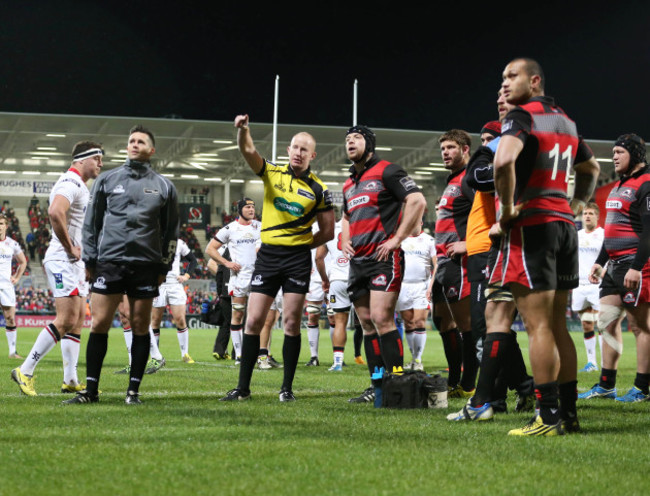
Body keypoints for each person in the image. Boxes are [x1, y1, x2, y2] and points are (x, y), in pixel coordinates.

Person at [494, 58, 599, 435]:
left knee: (536, 325)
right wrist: (577, 206)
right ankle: (568, 415)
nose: (504, 84)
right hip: (564, 225)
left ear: (534, 80)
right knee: (557, 326)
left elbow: (503, 161)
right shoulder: (566, 121)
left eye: (512, 76)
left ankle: (547, 416)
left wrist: (506, 211)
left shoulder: (521, 117)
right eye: (503, 78)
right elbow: (592, 169)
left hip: (533, 224)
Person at [220, 115, 334, 402]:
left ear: (312, 155)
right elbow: (248, 151)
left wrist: (303, 243)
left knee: (293, 323)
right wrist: (244, 130)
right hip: (269, 256)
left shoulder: (320, 189)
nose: (298, 152)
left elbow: (329, 231)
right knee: (253, 320)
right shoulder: (271, 172)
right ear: (288, 150)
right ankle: (243, 388)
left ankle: (286, 389)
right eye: (294, 147)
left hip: (296, 259)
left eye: (304, 149)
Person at [64, 125, 179, 405]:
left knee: (140, 326)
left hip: (146, 265)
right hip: (109, 262)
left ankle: (133, 392)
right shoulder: (106, 179)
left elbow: (171, 232)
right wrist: (90, 259)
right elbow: (91, 224)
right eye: (131, 141)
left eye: (141, 141)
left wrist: (164, 267)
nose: (134, 144)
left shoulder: (165, 186)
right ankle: (90, 391)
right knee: (100, 323)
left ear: (151, 150)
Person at [342, 125, 426, 403]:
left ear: (369, 144)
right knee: (366, 324)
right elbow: (345, 217)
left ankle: (398, 383)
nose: (350, 142)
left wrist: (397, 239)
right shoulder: (348, 183)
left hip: (383, 260)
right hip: (358, 263)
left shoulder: (389, 171)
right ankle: (377, 386)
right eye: (347, 139)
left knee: (381, 319)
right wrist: (344, 240)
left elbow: (417, 200)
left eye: (356, 138)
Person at [11, 142, 103, 396]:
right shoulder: (70, 182)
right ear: (82, 160)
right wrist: (70, 247)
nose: (100, 164)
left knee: (77, 322)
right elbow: (54, 212)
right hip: (63, 259)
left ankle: (70, 379)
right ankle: (25, 371)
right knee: (65, 320)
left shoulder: (80, 186)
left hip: (74, 263)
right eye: (97, 159)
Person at [580, 134, 650, 403]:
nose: (615, 156)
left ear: (635, 154)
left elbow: (648, 231)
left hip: (636, 267)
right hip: (613, 268)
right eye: (614, 152)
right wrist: (600, 262)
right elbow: (611, 231)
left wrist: (637, 266)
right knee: (606, 323)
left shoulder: (646, 183)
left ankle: (642, 388)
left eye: (620, 151)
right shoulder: (617, 186)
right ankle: (606, 385)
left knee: (641, 327)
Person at [432, 129, 479, 397]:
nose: (446, 153)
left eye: (451, 147)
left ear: (464, 150)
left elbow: (487, 214)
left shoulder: (470, 178)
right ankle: (453, 380)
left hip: (459, 262)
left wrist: (468, 245)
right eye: (443, 149)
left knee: (466, 326)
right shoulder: (453, 180)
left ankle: (469, 385)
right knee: (442, 322)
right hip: (443, 263)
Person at [206, 197, 261, 364]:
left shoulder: (260, 226)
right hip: (239, 278)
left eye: (253, 206)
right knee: (237, 316)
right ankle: (239, 356)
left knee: (256, 318)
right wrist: (227, 263)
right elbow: (210, 249)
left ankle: (259, 354)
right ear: (240, 209)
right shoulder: (230, 228)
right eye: (248, 207)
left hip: (258, 276)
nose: (251, 209)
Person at [150, 237, 198, 366]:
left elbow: (193, 260)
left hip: (175, 285)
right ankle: (156, 356)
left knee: (180, 319)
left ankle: (185, 354)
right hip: (158, 285)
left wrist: (186, 276)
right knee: (155, 321)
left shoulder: (179, 242)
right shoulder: (151, 239)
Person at [396, 222, 436, 371]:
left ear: (421, 223)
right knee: (408, 323)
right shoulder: (401, 239)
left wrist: (431, 286)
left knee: (419, 322)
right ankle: (413, 359)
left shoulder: (429, 240)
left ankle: (418, 359)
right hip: (404, 285)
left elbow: (436, 264)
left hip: (422, 285)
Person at [315, 213, 352, 371]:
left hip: (337, 280)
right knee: (369, 324)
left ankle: (337, 362)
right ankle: (378, 362)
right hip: (358, 279)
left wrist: (325, 279)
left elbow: (318, 258)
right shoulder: (360, 227)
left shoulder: (329, 231)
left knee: (340, 322)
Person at [573, 203, 604, 372]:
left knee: (602, 323)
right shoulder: (576, 235)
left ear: (597, 216)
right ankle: (592, 362)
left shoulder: (603, 235)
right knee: (586, 323)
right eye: (585, 213)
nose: (587, 216)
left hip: (597, 286)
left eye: (591, 213)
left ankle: (606, 362)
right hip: (579, 285)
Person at [0, 213, 27, 359]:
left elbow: (23, 262)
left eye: (1, 224)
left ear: (6, 226)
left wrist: (17, 277)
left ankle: (12, 352)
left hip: (5, 285)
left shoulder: (12, 244)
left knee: (10, 318)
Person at [304, 223, 326, 367]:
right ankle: (314, 356)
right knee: (313, 315)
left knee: (334, 315)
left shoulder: (332, 226)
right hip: (314, 278)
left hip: (332, 274)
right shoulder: (306, 225)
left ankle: (339, 357)